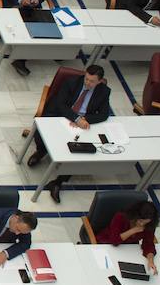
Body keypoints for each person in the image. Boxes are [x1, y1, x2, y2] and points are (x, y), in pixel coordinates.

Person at [25, 64, 110, 200]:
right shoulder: (71, 82)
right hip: (61, 114)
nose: (87, 83)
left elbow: (104, 114)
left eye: (92, 81)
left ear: (99, 81)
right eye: (86, 79)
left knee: (79, 151)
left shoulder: (104, 91)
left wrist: (84, 120)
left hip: (81, 122)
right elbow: (60, 104)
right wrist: (76, 118)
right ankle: (41, 151)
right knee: (41, 132)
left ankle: (58, 182)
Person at [95, 199, 159, 285]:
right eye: (140, 221)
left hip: (128, 250)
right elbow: (114, 240)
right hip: (107, 245)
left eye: (145, 222)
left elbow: (148, 243)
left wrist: (150, 259)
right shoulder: (121, 217)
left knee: (132, 278)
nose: (141, 224)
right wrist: (134, 230)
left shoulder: (148, 225)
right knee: (109, 275)